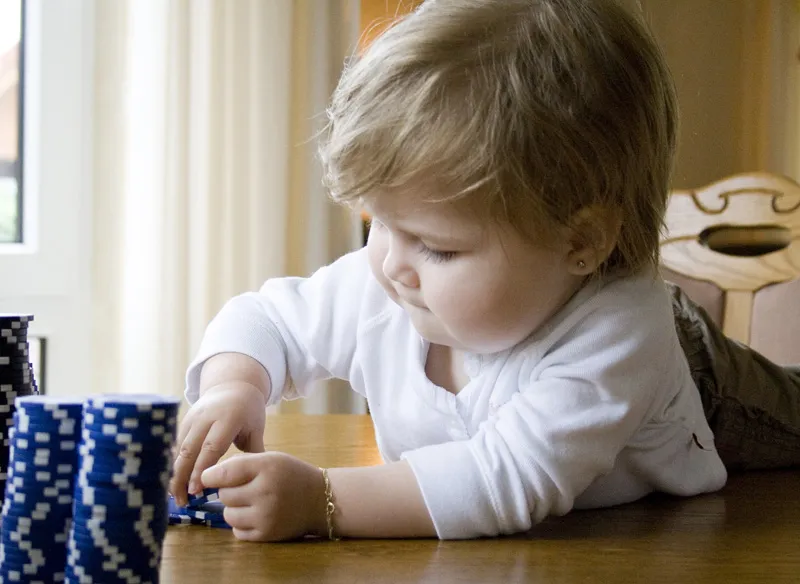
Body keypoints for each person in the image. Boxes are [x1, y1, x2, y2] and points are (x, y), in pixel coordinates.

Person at [169, 0, 800, 542]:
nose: (391, 264)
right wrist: (237, 386)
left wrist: (323, 501)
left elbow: (503, 479)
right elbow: (267, 320)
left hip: (701, 384)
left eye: (437, 248)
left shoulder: (622, 330)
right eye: (379, 224)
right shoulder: (388, 278)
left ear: (579, 240)